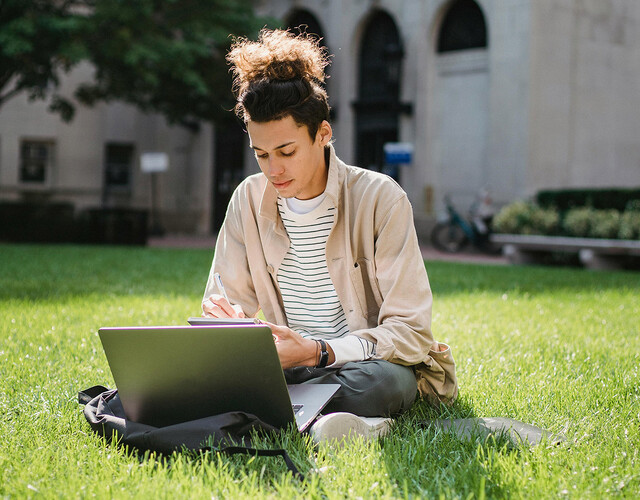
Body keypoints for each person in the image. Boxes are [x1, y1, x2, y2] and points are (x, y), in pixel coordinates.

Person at [202, 28, 457, 442]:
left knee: (388, 385)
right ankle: (319, 417)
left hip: (364, 365)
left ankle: (276, 410)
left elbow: (411, 333)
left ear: (323, 134)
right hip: (288, 366)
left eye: (286, 152)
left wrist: (319, 351)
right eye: (261, 154)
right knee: (204, 373)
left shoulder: (380, 198)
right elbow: (220, 303)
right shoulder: (248, 199)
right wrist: (234, 333)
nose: (273, 169)